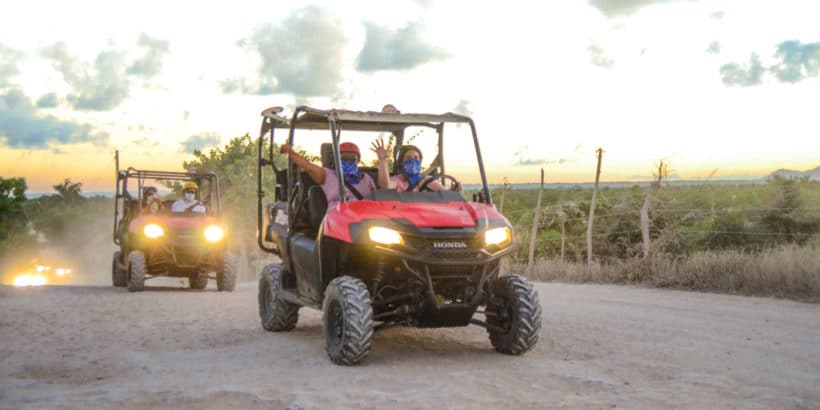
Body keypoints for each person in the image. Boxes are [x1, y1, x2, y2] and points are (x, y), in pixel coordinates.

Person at [280, 141, 376, 209]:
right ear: (337, 159)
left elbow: (376, 199)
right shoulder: (328, 175)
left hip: (364, 220)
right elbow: (308, 166)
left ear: (358, 160)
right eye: (343, 158)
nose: (347, 161)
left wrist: (383, 160)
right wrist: (290, 152)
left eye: (352, 158)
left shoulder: (366, 179)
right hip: (337, 219)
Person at [371, 137, 462, 193]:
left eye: (416, 158)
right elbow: (385, 186)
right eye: (408, 158)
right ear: (402, 162)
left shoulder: (428, 180)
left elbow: (444, 194)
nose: (412, 160)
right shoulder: (397, 180)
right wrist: (383, 160)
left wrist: (454, 192)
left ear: (420, 162)